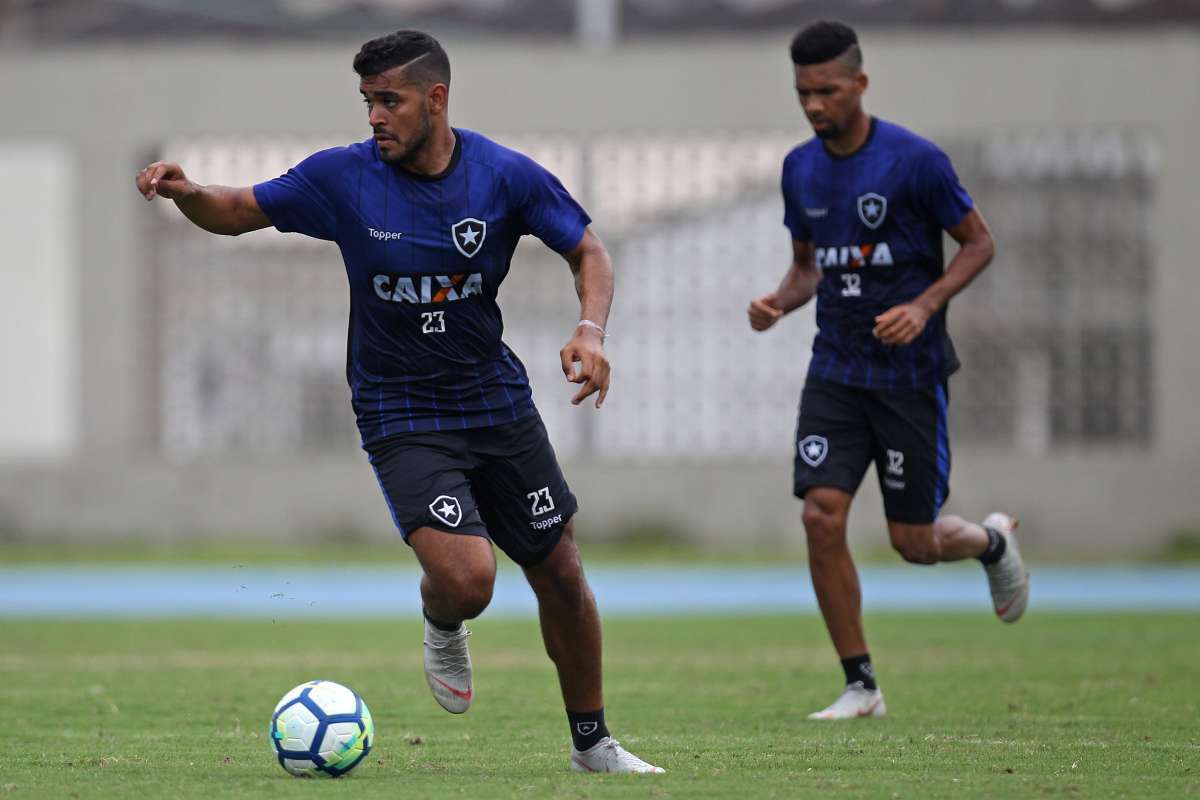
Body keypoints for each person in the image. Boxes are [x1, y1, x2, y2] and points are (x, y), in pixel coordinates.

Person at [135, 29, 663, 773]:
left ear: (435, 99)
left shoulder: (504, 177)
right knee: (467, 579)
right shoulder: (343, 179)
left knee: (561, 571)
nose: (375, 117)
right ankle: (442, 617)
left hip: (494, 400)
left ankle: (594, 746)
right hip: (399, 409)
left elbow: (590, 250)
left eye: (389, 100)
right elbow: (237, 209)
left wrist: (590, 329)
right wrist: (188, 194)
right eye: (367, 102)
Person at [747, 20, 1030, 720]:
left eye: (828, 91)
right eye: (803, 93)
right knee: (821, 515)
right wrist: (778, 302)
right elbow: (808, 268)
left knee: (914, 542)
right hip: (835, 371)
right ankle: (861, 685)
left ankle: (992, 542)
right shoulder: (799, 169)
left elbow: (979, 243)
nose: (814, 106)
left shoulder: (915, 162)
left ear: (860, 85)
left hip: (908, 377)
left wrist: (926, 303)